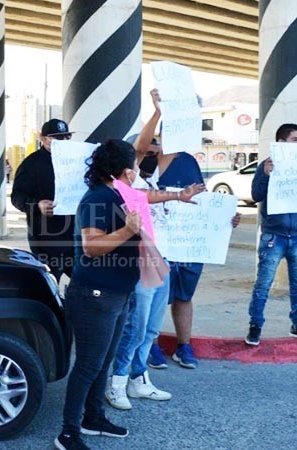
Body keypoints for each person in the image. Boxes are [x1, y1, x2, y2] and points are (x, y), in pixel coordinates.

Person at [105, 103, 205, 410]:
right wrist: (159, 113)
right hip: (141, 264)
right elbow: (138, 148)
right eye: (150, 148)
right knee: (135, 328)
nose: (154, 151)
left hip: (163, 261)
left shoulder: (151, 182)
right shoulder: (129, 182)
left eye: (157, 148)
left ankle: (139, 379)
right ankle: (117, 383)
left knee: (149, 328)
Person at [132, 89, 240, 369]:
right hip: (158, 244)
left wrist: (226, 218)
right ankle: (150, 345)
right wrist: (158, 111)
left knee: (184, 296)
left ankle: (184, 346)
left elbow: (203, 200)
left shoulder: (190, 161)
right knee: (154, 298)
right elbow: (138, 149)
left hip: (188, 244)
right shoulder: (150, 160)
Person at [55, 139, 145, 450]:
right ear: (125, 170)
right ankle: (68, 433)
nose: (137, 170)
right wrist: (129, 230)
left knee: (102, 362)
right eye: (135, 165)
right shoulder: (98, 198)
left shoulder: (118, 195)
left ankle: (93, 418)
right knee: (88, 365)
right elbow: (92, 247)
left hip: (116, 293)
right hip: (95, 295)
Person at [244, 124, 297, 346]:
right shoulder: (266, 165)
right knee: (263, 283)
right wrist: (266, 175)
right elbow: (256, 195)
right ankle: (255, 325)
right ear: (281, 142)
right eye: (295, 139)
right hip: (274, 235)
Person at [12, 119, 76, 282]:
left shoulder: (76, 161)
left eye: (67, 137)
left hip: (75, 235)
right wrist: (37, 205)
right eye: (57, 137)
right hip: (46, 238)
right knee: (49, 281)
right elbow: (17, 197)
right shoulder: (31, 164)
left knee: (82, 280)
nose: (63, 141)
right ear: (43, 139)